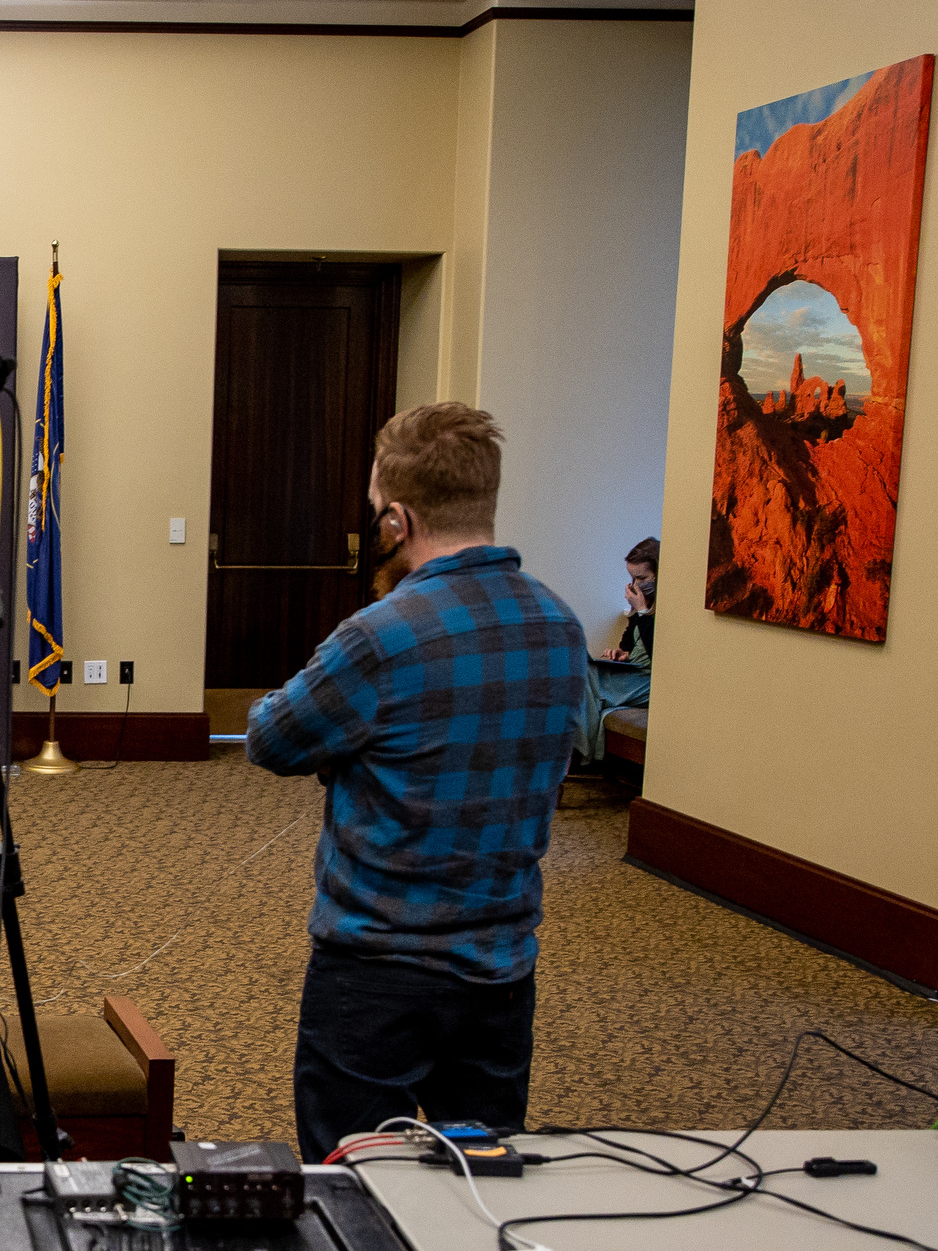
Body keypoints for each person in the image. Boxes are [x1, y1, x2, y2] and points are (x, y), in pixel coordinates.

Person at [245, 403, 584, 1161]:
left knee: (356, 1183)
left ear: (397, 521)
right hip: (503, 970)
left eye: (374, 516)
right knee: (480, 1177)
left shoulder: (381, 635)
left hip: (375, 977)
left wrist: (348, 750)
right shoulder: (560, 626)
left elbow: (270, 737)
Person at [573, 536, 658, 765]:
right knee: (584, 666)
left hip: (653, 679)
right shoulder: (644, 603)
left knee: (589, 680)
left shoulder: (666, 605)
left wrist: (641, 611)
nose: (636, 584)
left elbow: (660, 654)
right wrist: (622, 653)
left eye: (642, 577)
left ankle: (580, 755)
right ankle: (578, 751)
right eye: (632, 578)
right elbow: (629, 644)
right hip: (635, 668)